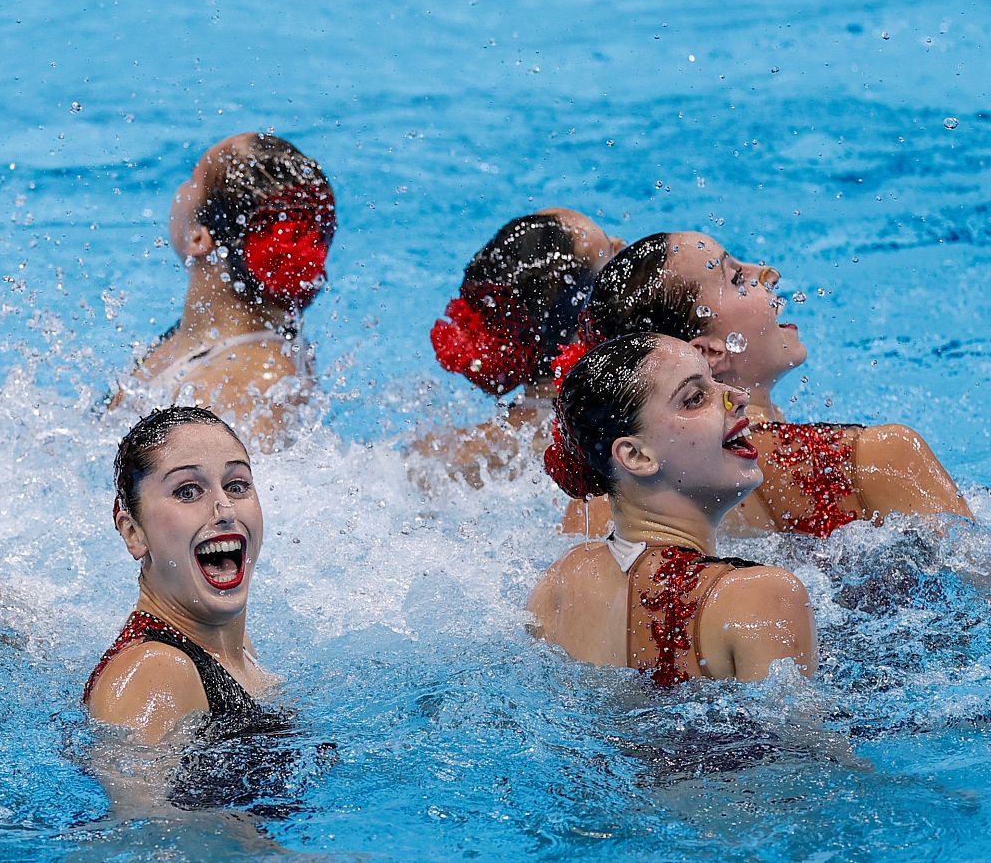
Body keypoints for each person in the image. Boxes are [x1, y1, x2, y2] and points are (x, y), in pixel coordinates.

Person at [562, 232, 972, 537]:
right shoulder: (880, 459)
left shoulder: (606, 502)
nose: (769, 274)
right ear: (705, 353)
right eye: (738, 279)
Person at [528, 333, 818, 685]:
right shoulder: (759, 597)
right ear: (636, 456)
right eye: (695, 398)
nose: (737, 397)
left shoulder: (561, 583)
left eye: (716, 381)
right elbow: (800, 740)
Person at [112, 134, 336, 447]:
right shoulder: (213, 336)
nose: (180, 190)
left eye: (192, 179)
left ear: (199, 238)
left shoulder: (244, 387)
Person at [86, 406, 276, 743]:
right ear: (133, 533)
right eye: (187, 491)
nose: (225, 509)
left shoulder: (233, 650)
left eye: (236, 485)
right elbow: (141, 798)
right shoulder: (155, 672)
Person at [414, 209, 623, 487]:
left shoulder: (436, 455)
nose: (621, 244)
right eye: (609, 252)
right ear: (584, 321)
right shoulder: (612, 457)